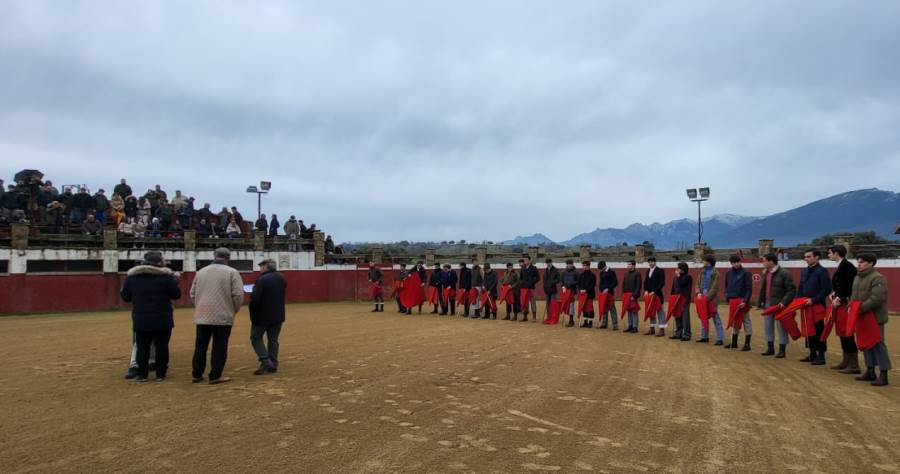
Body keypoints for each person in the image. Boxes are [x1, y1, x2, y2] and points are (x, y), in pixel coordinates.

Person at [120, 251, 181, 382]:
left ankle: (142, 375)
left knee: (142, 347)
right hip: (162, 318)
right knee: (162, 347)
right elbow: (176, 295)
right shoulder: (166, 277)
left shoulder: (132, 278)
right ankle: (160, 374)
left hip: (141, 318)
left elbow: (125, 297)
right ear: (159, 263)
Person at [190, 247, 243, 384]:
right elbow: (238, 295)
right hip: (223, 315)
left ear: (214, 256)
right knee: (219, 346)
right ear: (228, 258)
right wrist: (233, 310)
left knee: (200, 346)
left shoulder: (201, 272)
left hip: (202, 314)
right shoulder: (232, 272)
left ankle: (197, 374)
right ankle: (215, 376)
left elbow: (192, 293)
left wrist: (200, 306)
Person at [851, 253, 890, 386]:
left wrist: (859, 309)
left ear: (871, 263)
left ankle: (883, 374)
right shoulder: (857, 277)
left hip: (875, 317)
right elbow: (853, 296)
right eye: (858, 262)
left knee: (878, 344)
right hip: (862, 316)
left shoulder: (878, 278)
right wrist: (853, 307)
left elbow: (877, 299)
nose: (859, 264)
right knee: (866, 344)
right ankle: (870, 371)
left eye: (862, 262)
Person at [249, 258, 287, 375]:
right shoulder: (282, 278)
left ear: (266, 266)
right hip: (278, 315)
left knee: (256, 337)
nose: (260, 268)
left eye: (261, 266)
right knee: (273, 340)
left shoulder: (261, 280)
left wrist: (253, 312)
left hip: (262, 316)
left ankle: (266, 361)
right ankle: (273, 362)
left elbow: (255, 299)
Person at [828, 244, 860, 374]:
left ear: (836, 253)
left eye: (830, 253)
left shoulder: (847, 267)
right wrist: (834, 293)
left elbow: (850, 287)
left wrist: (840, 297)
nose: (828, 255)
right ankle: (846, 361)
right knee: (842, 331)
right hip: (841, 303)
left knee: (847, 332)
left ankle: (854, 365)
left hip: (845, 304)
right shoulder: (843, 265)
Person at [757, 253, 795, 358]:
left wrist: (783, 302)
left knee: (781, 327)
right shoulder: (766, 273)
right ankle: (770, 348)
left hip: (780, 304)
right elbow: (763, 289)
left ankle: (782, 350)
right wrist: (761, 301)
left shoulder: (784, 273)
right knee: (768, 326)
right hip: (768, 302)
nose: (763, 263)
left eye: (764, 261)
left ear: (771, 261)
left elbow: (791, 290)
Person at [797, 249, 831, 365]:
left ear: (817, 257)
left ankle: (821, 356)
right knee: (808, 329)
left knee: (819, 330)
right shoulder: (804, 271)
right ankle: (812, 353)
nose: (806, 259)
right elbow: (800, 287)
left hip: (817, 306)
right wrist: (798, 300)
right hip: (805, 304)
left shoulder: (822, 271)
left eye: (809, 256)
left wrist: (814, 300)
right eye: (805, 257)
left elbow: (826, 289)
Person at [724, 254, 753, 351]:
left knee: (746, 321)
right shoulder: (728, 274)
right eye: (734, 262)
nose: (736, 264)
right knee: (734, 320)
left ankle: (747, 344)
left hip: (742, 300)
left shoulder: (746, 273)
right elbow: (727, 286)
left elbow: (749, 288)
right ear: (731, 263)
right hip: (733, 300)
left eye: (738, 262)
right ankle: (734, 342)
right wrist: (728, 298)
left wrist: (745, 301)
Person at [696, 255, 724, 345]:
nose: (703, 262)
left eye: (704, 260)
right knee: (703, 316)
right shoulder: (702, 272)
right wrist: (698, 293)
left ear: (708, 262)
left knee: (716, 318)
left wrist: (707, 297)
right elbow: (697, 283)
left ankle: (720, 338)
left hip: (711, 299)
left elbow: (715, 287)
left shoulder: (716, 273)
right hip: (702, 297)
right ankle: (704, 337)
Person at [643, 256, 666, 336]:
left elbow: (662, 283)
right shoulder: (647, 271)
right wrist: (645, 290)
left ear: (655, 262)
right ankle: (652, 328)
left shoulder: (660, 271)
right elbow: (645, 282)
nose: (650, 263)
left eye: (652, 262)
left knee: (660, 311)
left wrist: (654, 291)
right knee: (651, 311)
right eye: (649, 262)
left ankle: (661, 329)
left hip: (658, 295)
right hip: (649, 295)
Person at [670, 262, 693, 341]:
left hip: (684, 299)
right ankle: (678, 333)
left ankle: (687, 334)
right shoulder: (675, 277)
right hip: (676, 299)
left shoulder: (688, 277)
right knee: (677, 316)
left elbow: (681, 284)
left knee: (685, 317)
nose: (677, 269)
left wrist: (678, 276)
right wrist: (672, 296)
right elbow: (673, 288)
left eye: (679, 268)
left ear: (683, 270)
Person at [597, 261, 619, 330]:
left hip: (609, 293)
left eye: (601, 268)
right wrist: (601, 290)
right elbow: (600, 283)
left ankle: (615, 325)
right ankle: (604, 323)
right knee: (604, 308)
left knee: (612, 308)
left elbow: (615, 282)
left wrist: (608, 289)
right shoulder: (601, 273)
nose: (600, 270)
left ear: (604, 266)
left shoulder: (612, 272)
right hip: (603, 293)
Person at [622, 260, 642, 333]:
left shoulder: (637, 273)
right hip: (627, 295)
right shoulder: (626, 274)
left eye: (629, 264)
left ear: (634, 265)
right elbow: (623, 284)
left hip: (633, 295)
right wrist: (624, 294)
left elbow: (638, 286)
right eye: (628, 264)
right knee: (629, 311)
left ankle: (635, 327)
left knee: (634, 311)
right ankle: (630, 325)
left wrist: (635, 295)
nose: (628, 265)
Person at [519, 256, 540, 321]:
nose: (525, 261)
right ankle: (525, 316)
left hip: (531, 288)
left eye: (527, 260)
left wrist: (532, 283)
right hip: (524, 288)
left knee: (532, 301)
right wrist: (522, 283)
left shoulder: (534, 268)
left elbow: (538, 278)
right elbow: (521, 278)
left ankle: (534, 317)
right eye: (525, 260)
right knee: (525, 301)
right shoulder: (523, 268)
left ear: (530, 260)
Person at [577, 260, 597, 328]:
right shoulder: (581, 275)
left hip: (589, 294)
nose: (584, 267)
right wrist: (580, 290)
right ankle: (585, 322)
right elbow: (578, 284)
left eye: (585, 265)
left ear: (589, 266)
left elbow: (593, 285)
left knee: (590, 308)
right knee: (584, 308)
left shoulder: (592, 275)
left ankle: (590, 322)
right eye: (583, 265)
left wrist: (586, 290)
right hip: (582, 294)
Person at [560, 260, 579, 327]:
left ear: (572, 264)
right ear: (566, 265)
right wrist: (562, 286)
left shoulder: (576, 272)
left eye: (570, 264)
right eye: (568, 264)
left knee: (571, 305)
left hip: (572, 291)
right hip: (565, 291)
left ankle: (571, 320)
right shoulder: (563, 272)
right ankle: (569, 319)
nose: (569, 265)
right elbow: (561, 280)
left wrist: (572, 283)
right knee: (565, 304)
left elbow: (578, 281)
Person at [542, 258, 560, 323]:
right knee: (548, 304)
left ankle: (553, 317)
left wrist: (552, 282)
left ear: (551, 262)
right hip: (547, 289)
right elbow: (544, 279)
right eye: (547, 263)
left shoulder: (555, 270)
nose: (548, 264)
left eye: (549, 263)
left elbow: (558, 279)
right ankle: (549, 317)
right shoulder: (546, 270)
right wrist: (545, 286)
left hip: (553, 289)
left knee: (553, 304)